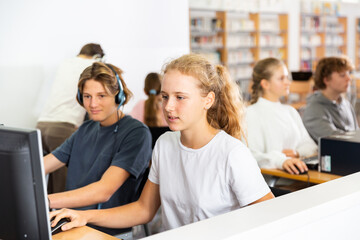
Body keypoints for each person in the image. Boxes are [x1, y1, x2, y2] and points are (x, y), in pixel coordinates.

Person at [49, 54, 274, 233]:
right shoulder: (165, 144)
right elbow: (144, 209)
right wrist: (85, 215)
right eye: (165, 96)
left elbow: (271, 218)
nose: (168, 107)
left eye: (180, 97)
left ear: (208, 100)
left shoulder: (231, 153)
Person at [44, 62, 152, 236]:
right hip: (71, 222)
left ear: (119, 97)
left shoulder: (136, 133)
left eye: (101, 96)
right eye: (87, 96)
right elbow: (42, 165)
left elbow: (103, 191)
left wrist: (44, 201)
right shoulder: (85, 129)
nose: (93, 103)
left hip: (107, 232)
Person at [36, 43, 105, 194]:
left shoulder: (64, 64)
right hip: (62, 127)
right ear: (97, 57)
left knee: (50, 182)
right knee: (65, 184)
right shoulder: (93, 65)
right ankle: (62, 217)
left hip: (42, 125)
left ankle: (48, 216)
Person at [246, 58, 317, 175]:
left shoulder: (290, 111)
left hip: (297, 175)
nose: (288, 82)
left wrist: (297, 153)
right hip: (271, 181)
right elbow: (251, 155)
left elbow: (311, 146)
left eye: (287, 77)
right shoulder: (251, 114)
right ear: (265, 84)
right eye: (281, 78)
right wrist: (282, 160)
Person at [303, 56, 359, 143]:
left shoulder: (345, 104)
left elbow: (356, 133)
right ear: (326, 80)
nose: (349, 78)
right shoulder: (313, 109)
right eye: (342, 75)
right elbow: (335, 140)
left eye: (348, 74)